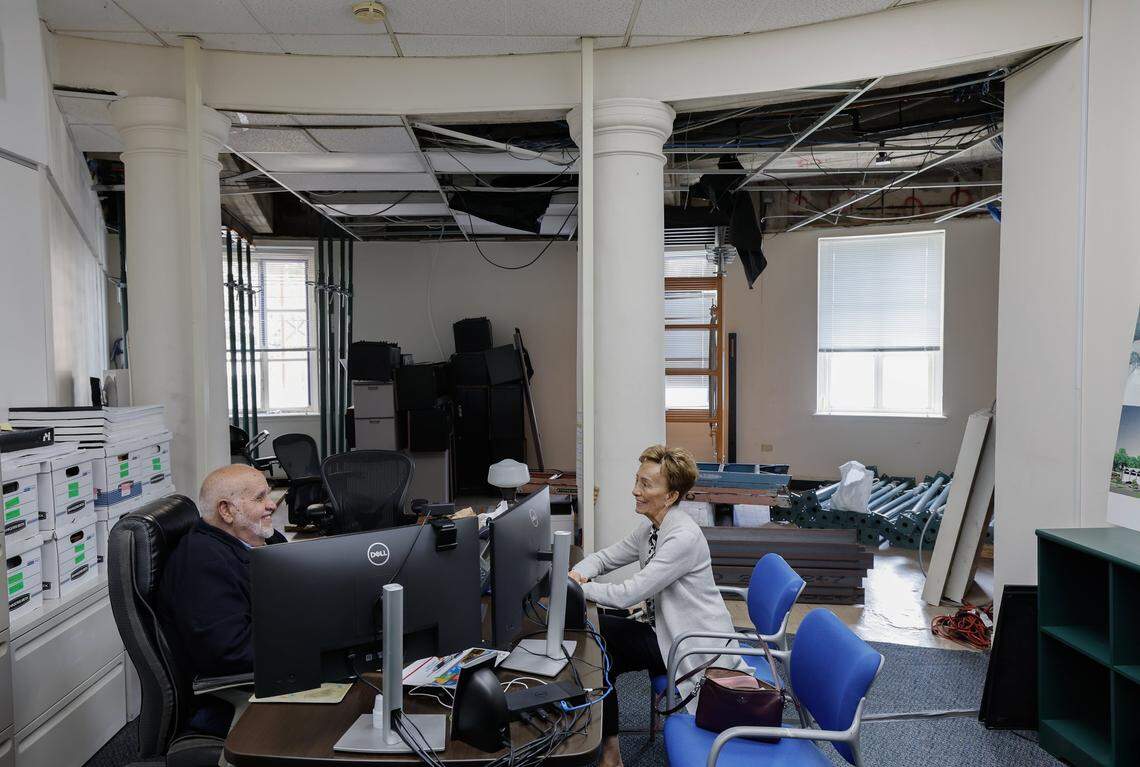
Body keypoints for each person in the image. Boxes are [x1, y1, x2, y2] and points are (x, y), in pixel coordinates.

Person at [569, 445, 748, 767]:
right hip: (664, 632)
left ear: (671, 495)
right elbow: (607, 557)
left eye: (646, 484)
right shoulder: (653, 528)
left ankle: (609, 753)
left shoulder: (682, 536)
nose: (635, 491)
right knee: (598, 648)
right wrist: (578, 573)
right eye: (636, 480)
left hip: (690, 643)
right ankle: (608, 749)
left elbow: (628, 594)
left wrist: (577, 589)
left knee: (596, 645)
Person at [157, 463, 286, 732]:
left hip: (272, 672)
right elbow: (232, 652)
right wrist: (313, 644)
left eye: (268, 494)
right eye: (260, 498)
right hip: (235, 697)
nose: (272, 505)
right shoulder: (201, 564)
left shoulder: (260, 541)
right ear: (226, 511)